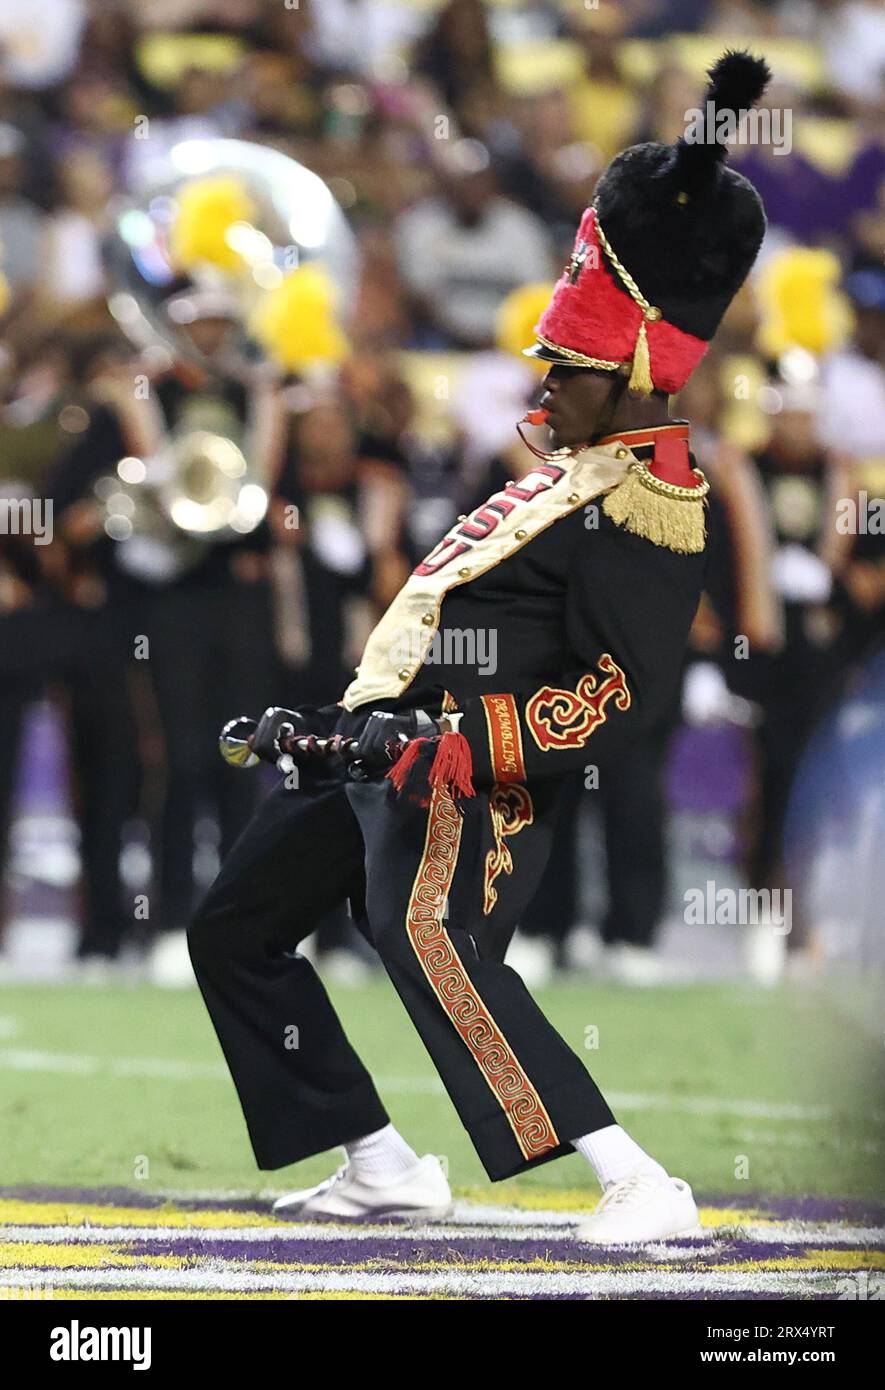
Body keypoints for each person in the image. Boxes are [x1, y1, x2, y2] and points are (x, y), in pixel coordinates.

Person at [189, 53, 771, 1244]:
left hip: (471, 770)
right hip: (379, 743)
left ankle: (637, 1177)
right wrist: (340, 725)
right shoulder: (571, 476)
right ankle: (381, 1158)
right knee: (235, 928)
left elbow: (617, 692)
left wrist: (462, 745)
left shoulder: (651, 501)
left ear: (643, 372)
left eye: (571, 365)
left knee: (426, 936)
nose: (544, 380)